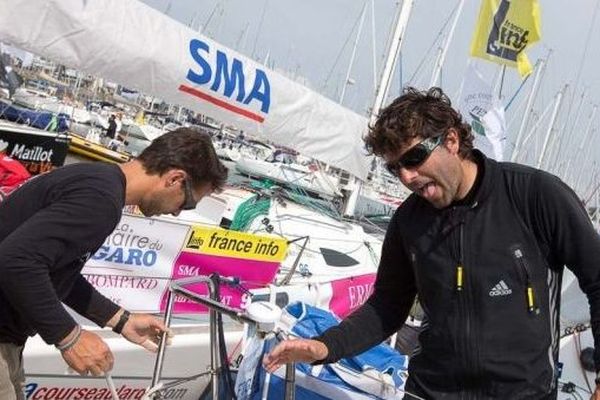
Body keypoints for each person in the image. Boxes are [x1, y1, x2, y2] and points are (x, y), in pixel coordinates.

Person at [263, 87, 600, 399]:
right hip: (431, 390)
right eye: (395, 169)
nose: (407, 177)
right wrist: (325, 347)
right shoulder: (408, 222)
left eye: (413, 158)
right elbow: (387, 307)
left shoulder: (534, 195)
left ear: (451, 140)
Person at [0, 127, 228, 399]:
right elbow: (15, 260)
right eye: (187, 203)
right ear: (175, 179)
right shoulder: (100, 202)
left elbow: (53, 270)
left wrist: (121, 320)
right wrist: (69, 336)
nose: (178, 212)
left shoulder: (99, 181)